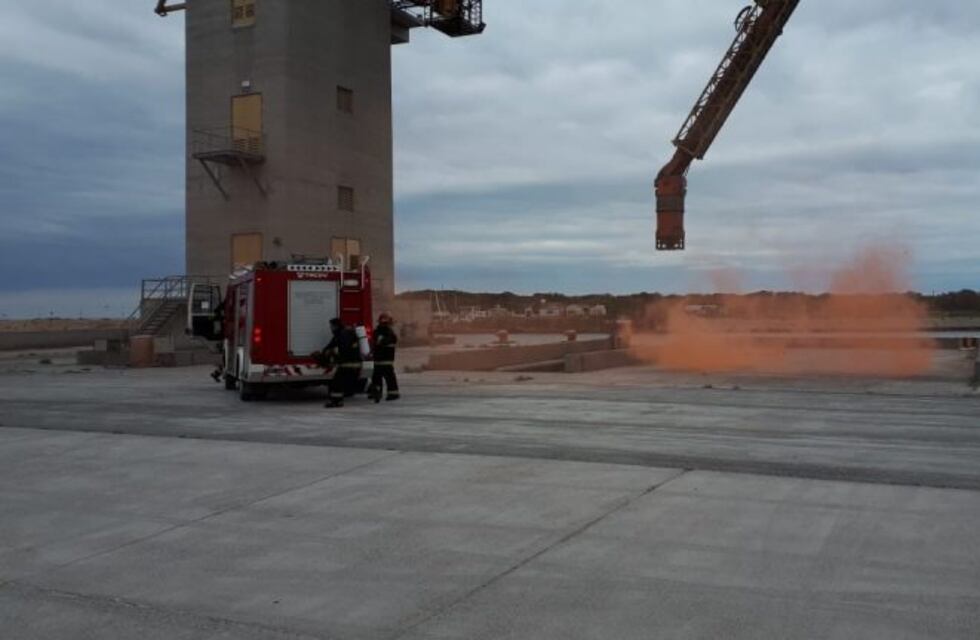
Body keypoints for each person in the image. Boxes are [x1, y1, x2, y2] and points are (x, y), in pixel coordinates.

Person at [322, 318, 362, 408]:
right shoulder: (340, 334)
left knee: (336, 383)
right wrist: (324, 352)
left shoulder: (344, 334)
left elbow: (344, 348)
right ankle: (338, 401)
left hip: (349, 364)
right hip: (349, 364)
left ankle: (335, 401)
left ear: (336, 326)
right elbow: (331, 345)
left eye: (331, 326)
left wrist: (332, 352)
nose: (331, 328)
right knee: (337, 382)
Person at [369, 312, 400, 403]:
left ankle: (391, 394)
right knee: (380, 378)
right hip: (382, 360)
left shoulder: (387, 333)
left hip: (384, 360)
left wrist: (380, 341)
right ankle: (378, 393)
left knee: (384, 378)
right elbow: (377, 342)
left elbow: (384, 342)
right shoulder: (383, 332)